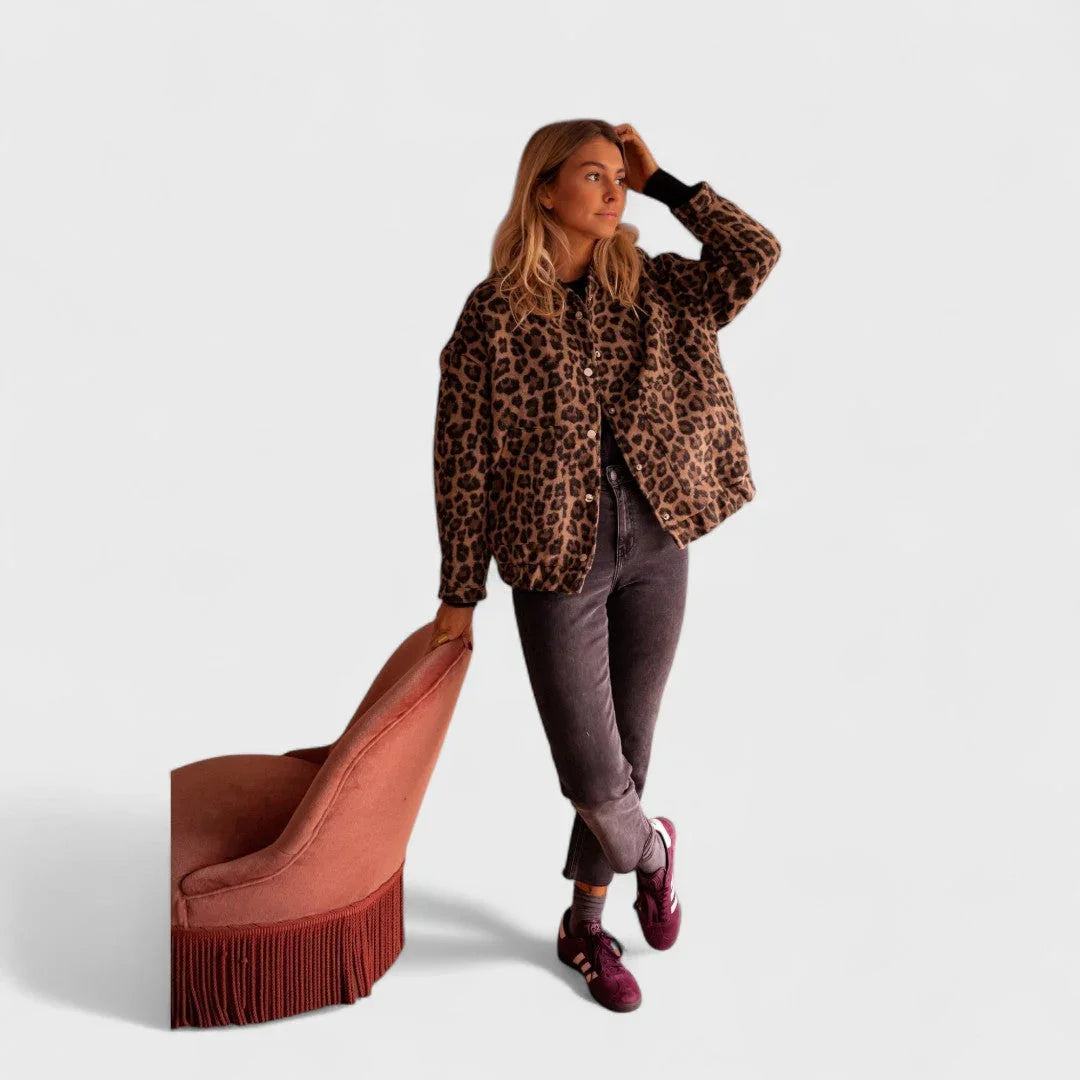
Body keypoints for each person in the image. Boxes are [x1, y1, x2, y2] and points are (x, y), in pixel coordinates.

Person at [428, 119, 781, 1011]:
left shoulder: (657, 286)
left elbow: (755, 254)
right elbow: (462, 458)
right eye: (594, 175)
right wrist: (459, 592)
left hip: (659, 539)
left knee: (631, 750)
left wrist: (668, 186)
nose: (614, 188)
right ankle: (653, 854)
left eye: (620, 176)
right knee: (594, 773)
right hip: (556, 558)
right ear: (544, 190)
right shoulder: (493, 314)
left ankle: (585, 927)